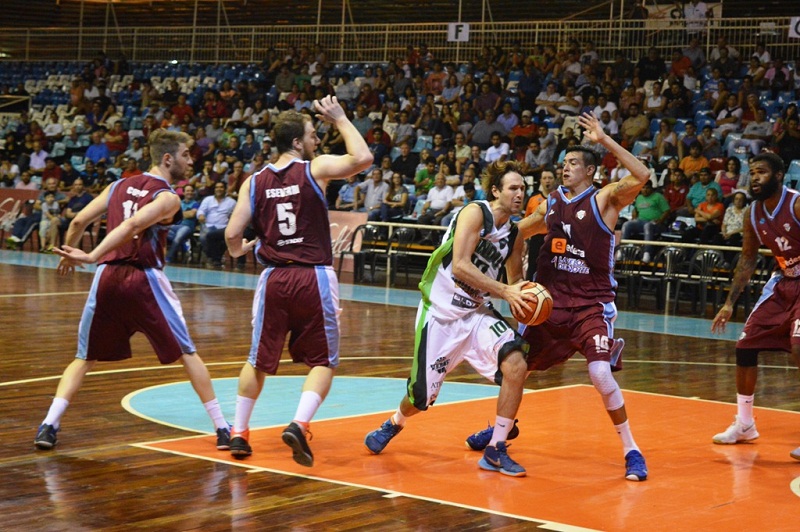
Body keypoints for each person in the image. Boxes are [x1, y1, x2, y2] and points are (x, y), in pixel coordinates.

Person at [35, 129, 231, 451]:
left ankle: (48, 425)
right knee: (187, 353)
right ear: (167, 159)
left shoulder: (116, 186)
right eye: (185, 155)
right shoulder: (168, 198)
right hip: (144, 279)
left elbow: (78, 222)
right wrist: (91, 255)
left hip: (107, 278)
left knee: (84, 357)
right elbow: (133, 225)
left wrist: (70, 253)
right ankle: (223, 428)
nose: (191, 161)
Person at [502, 112, 651, 481]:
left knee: (599, 374)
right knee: (514, 368)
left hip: (590, 306)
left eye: (572, 163)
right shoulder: (551, 203)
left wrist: (604, 140)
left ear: (590, 171)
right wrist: (514, 281)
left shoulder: (605, 199)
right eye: (564, 162)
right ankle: (500, 433)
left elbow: (642, 175)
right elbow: (516, 234)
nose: (565, 167)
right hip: (550, 307)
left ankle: (632, 449)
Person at [223, 96, 372, 465]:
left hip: (273, 278)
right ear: (296, 142)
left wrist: (241, 251)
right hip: (313, 277)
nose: (316, 140)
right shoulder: (314, 168)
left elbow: (232, 234)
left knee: (257, 360)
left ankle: (239, 433)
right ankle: (299, 424)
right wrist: (340, 119)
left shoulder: (253, 182)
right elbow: (363, 158)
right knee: (323, 361)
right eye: (311, 135)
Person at [363, 160, 534, 477]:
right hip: (440, 313)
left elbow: (515, 283)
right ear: (495, 191)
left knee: (516, 364)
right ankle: (394, 422)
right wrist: (505, 291)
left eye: (523, 188)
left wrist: (529, 299)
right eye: (513, 188)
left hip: (476, 313)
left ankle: (495, 447)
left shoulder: (514, 236)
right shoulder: (475, 213)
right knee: (421, 397)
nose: (520, 193)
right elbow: (460, 266)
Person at [710, 153, 800, 459]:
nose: (755, 177)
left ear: (778, 175)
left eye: (762, 172)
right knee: (745, 346)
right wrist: (729, 304)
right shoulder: (753, 213)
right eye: (752, 172)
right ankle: (745, 424)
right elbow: (748, 259)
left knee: (799, 348)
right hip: (783, 282)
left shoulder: (796, 204)